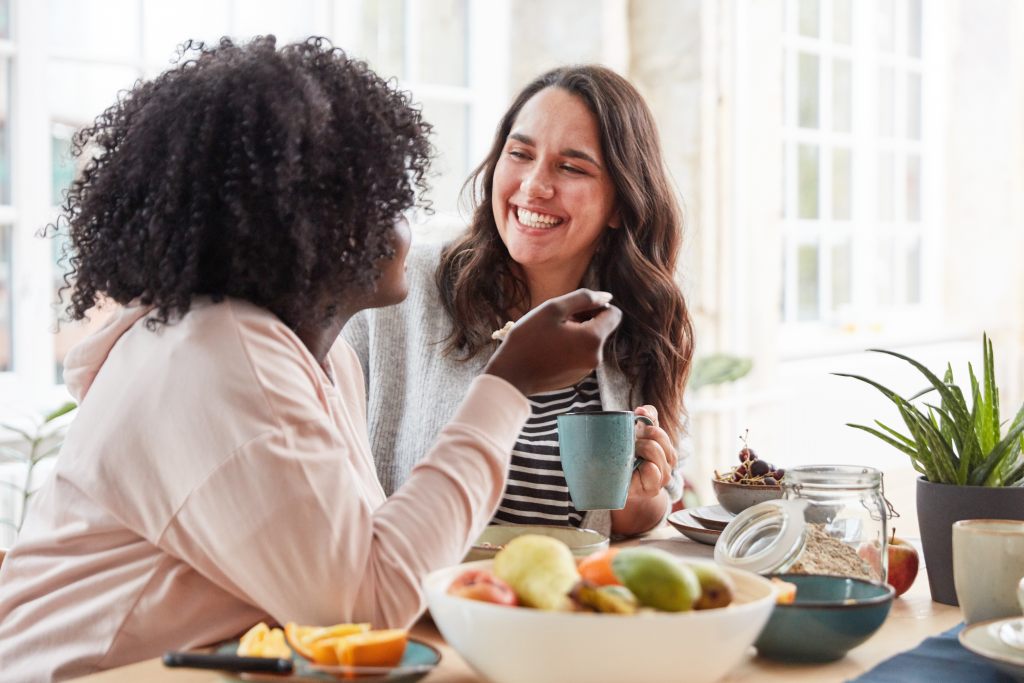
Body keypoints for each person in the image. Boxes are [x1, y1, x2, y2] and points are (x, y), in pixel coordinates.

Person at [0, 37, 620, 681]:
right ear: (312, 225)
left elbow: (368, 568)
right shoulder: (215, 357)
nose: (407, 222)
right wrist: (509, 383)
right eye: (385, 199)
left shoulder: (319, 362)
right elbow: (368, 603)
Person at [344, 65, 694, 537]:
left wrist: (639, 493)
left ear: (619, 204)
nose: (534, 186)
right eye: (520, 154)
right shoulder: (401, 290)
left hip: (559, 602)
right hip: (416, 601)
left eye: (571, 167)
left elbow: (629, 522)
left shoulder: (643, 320)